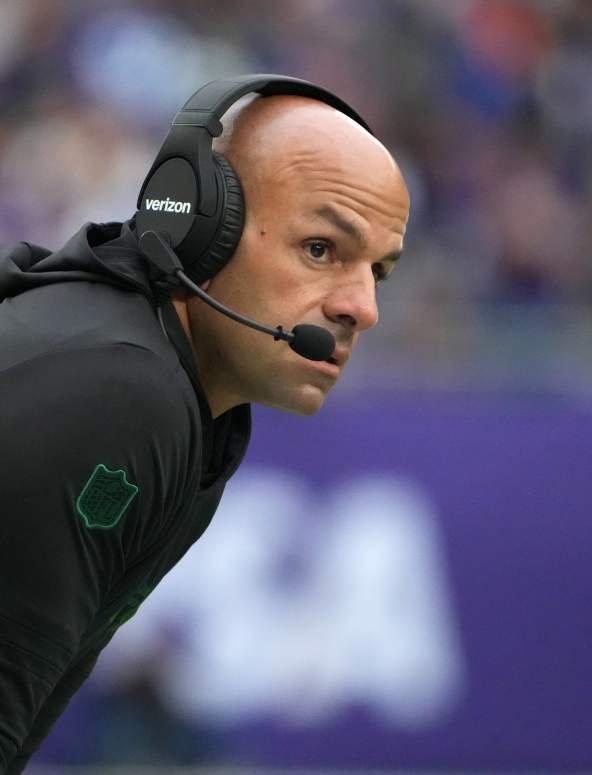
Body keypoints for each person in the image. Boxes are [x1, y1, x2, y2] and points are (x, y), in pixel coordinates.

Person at [0, 74, 409, 773]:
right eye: (321, 249)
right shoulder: (124, 397)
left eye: (379, 271)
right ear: (195, 226)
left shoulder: (166, 387)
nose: (361, 307)